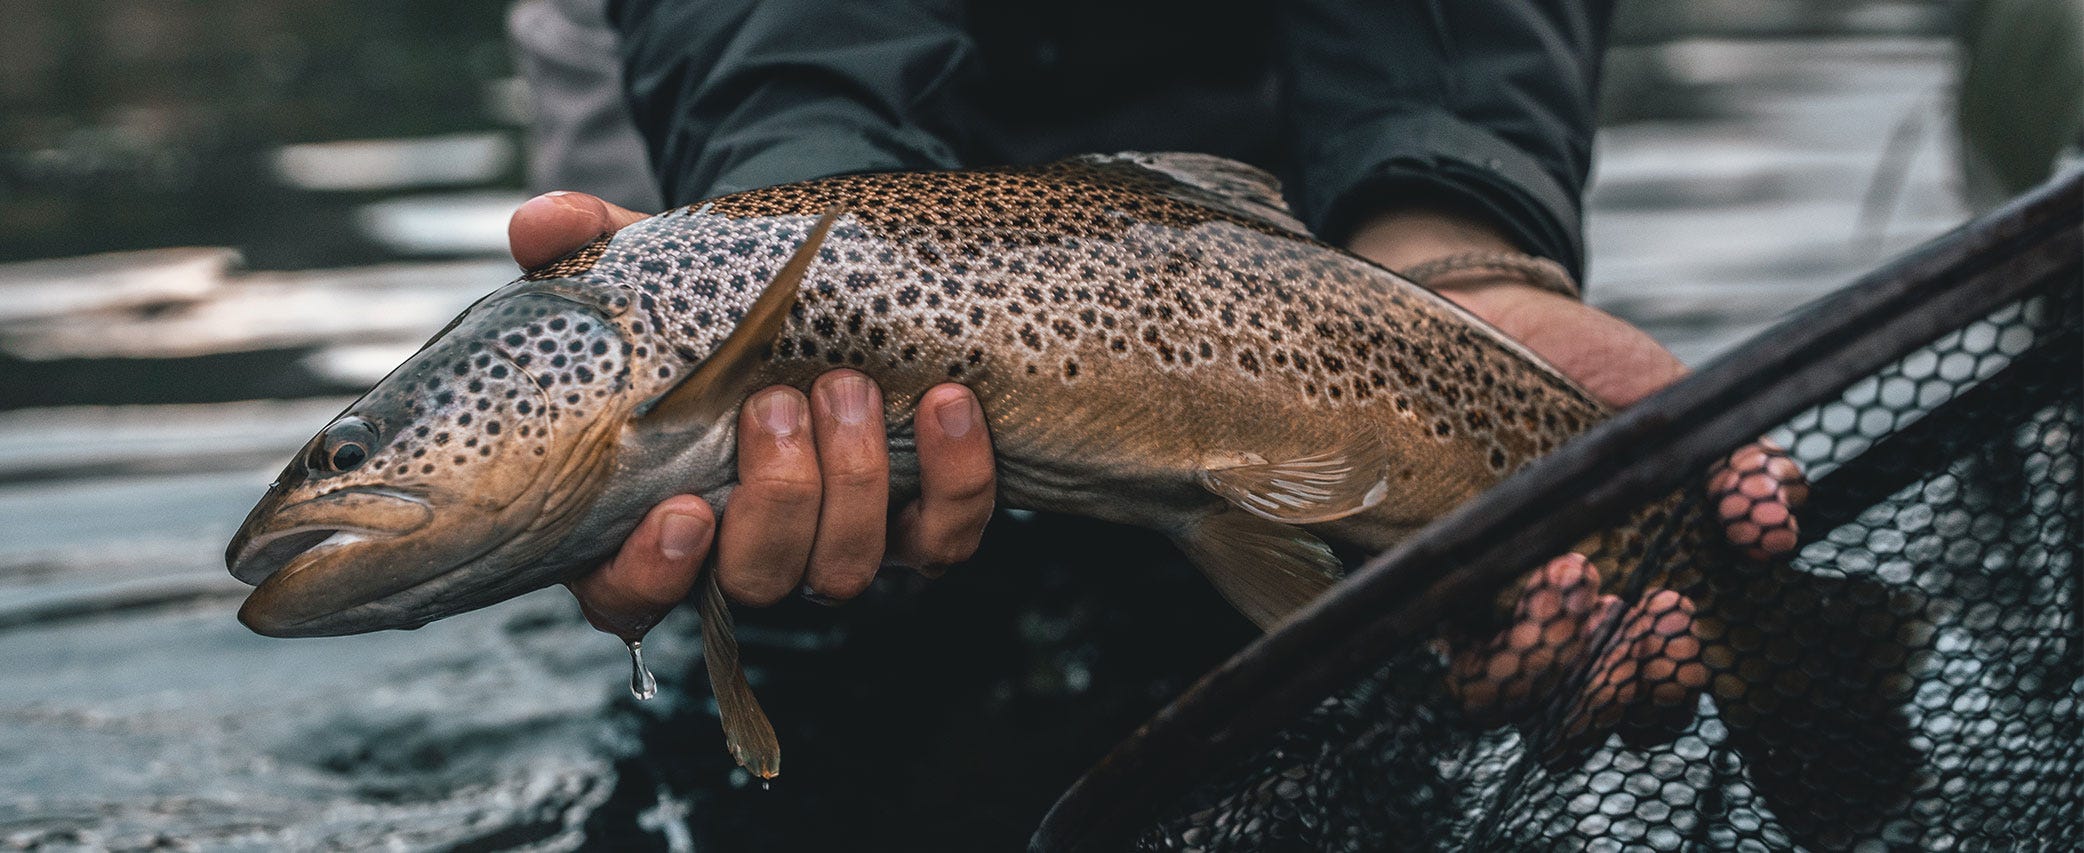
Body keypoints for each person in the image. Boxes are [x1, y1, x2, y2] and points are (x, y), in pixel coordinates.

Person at [506, 0, 1800, 765]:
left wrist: (1448, 241)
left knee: (1330, 658)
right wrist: (795, 226)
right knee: (786, 560)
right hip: (751, 77)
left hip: (1252, 157)